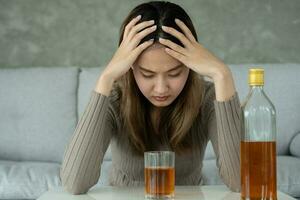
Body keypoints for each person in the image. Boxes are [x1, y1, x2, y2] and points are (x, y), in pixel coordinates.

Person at [60, 1, 241, 195]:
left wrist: (223, 75)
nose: (161, 88)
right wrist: (106, 78)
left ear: (191, 64)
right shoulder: (114, 99)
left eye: (174, 73)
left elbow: (241, 181)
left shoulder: (208, 98)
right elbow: (74, 184)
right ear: (130, 65)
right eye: (147, 74)